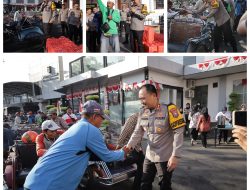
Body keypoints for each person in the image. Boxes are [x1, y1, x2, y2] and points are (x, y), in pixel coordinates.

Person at [24, 100, 129, 190]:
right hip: (48, 185)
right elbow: (107, 156)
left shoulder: (77, 126)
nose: (102, 121)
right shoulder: (90, 129)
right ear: (94, 116)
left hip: (37, 181)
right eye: (102, 118)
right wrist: (123, 152)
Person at [126, 84, 185, 190]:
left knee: (164, 185)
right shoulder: (142, 112)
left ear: (154, 95)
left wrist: (175, 156)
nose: (141, 101)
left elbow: (178, 132)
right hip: (149, 155)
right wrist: (128, 146)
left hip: (164, 157)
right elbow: (137, 132)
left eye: (143, 98)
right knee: (144, 183)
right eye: (140, 99)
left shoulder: (170, 109)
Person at [116, 113, 144, 190]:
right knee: (141, 163)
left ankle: (137, 186)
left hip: (136, 147)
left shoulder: (146, 118)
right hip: (127, 146)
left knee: (143, 165)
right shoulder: (134, 118)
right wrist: (118, 147)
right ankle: (117, 162)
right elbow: (124, 132)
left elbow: (139, 136)